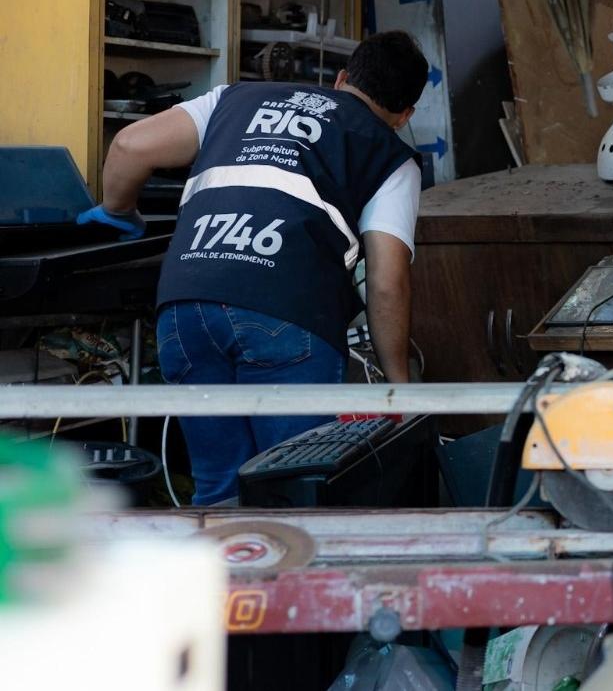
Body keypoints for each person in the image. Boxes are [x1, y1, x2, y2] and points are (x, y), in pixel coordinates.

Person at [79, 31, 430, 504]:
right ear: (405, 115)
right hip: (288, 317)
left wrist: (117, 211)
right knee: (292, 493)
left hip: (186, 306)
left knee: (219, 491)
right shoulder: (391, 157)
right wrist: (399, 385)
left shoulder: (234, 98)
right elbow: (387, 285)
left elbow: (128, 146)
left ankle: (222, 576)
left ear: (342, 77)